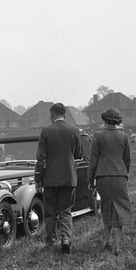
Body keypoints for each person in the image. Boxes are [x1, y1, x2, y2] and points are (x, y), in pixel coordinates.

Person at [87, 107, 134, 256]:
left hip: (103, 176)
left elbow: (93, 159)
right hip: (119, 176)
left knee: (106, 207)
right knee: (120, 209)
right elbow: (127, 160)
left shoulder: (98, 136)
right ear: (118, 121)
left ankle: (106, 241)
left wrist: (90, 179)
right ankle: (117, 247)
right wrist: (124, 173)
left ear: (104, 119)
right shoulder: (124, 136)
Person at [35, 102, 81, 254]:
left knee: (50, 212)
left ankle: (50, 240)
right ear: (65, 114)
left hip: (50, 179)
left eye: (50, 115)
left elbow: (40, 159)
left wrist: (38, 180)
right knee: (66, 211)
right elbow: (78, 154)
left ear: (53, 114)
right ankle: (66, 238)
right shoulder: (74, 131)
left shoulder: (46, 131)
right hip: (68, 177)